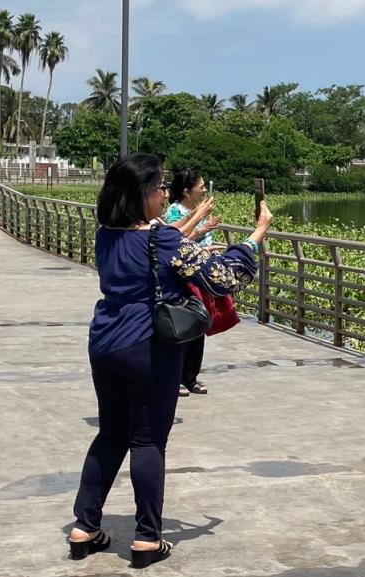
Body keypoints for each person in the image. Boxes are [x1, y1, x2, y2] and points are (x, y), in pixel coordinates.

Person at [68, 153, 273, 568]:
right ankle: (147, 538)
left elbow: (158, 246)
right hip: (148, 344)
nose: (164, 193)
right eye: (159, 187)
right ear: (142, 193)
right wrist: (257, 234)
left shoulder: (107, 234)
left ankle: (84, 527)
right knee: (147, 441)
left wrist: (187, 234)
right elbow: (222, 277)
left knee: (111, 435)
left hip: (105, 339)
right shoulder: (162, 240)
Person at [163, 169, 220, 397]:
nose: (204, 189)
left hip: (201, 272)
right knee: (182, 325)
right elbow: (174, 242)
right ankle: (177, 377)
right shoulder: (175, 211)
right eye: (201, 186)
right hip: (183, 275)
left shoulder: (196, 211)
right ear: (187, 191)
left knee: (199, 323)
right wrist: (201, 229)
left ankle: (191, 376)